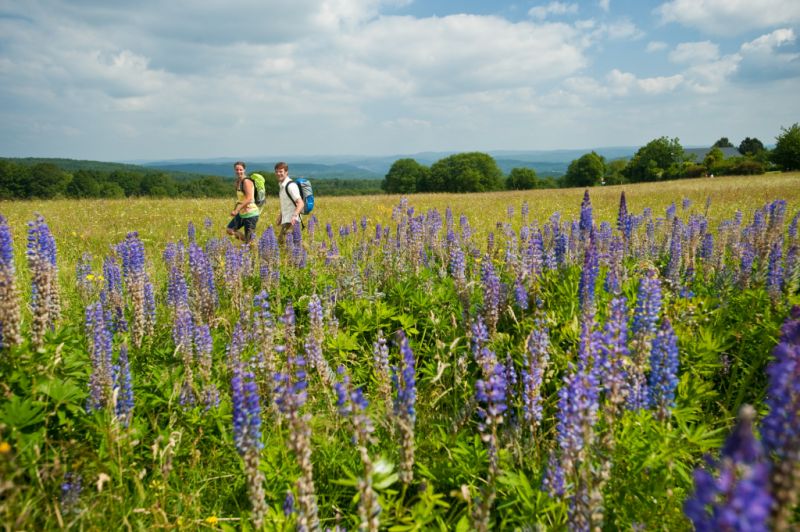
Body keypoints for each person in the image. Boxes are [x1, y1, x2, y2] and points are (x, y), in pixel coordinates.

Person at [226, 161, 260, 242]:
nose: (239, 172)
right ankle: (248, 242)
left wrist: (236, 210)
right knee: (229, 229)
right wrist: (235, 209)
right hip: (242, 213)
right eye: (237, 170)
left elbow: (249, 198)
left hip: (251, 213)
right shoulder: (238, 182)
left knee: (249, 239)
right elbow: (240, 199)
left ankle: (251, 244)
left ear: (244, 170)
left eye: (241, 170)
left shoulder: (246, 181)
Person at [274, 161, 304, 244]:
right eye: (276, 171)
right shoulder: (282, 185)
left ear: (286, 172)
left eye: (281, 171)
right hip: (286, 219)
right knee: (285, 243)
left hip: (292, 221)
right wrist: (280, 216)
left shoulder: (291, 186)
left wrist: (294, 216)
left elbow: (300, 203)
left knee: (285, 243)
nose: (278, 174)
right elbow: (286, 204)